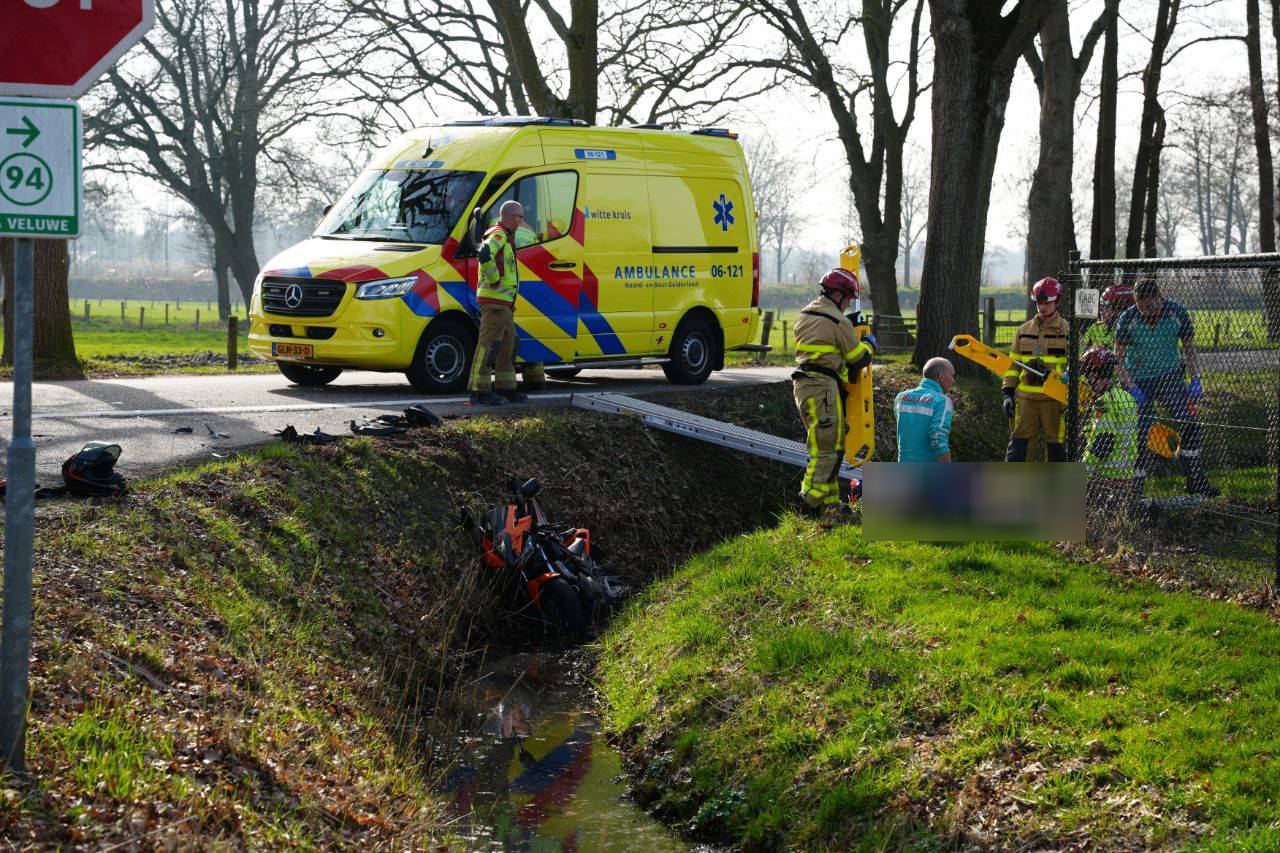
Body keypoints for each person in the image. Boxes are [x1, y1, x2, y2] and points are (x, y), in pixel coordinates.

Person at [1113, 278, 1218, 496]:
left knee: (1190, 425)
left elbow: (1190, 349)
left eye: (1149, 307)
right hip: (1139, 379)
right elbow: (1118, 360)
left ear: (1159, 297)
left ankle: (1195, 480)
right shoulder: (1128, 318)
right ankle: (1136, 489)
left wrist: (1196, 379)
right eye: (1140, 307)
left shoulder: (1177, 313)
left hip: (1170, 377)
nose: (1145, 312)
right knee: (1138, 433)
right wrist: (1131, 387)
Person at [792, 268, 876, 514]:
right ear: (838, 295)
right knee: (829, 448)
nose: (848, 302)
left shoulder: (806, 313)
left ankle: (830, 504)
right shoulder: (838, 321)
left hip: (804, 384)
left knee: (822, 445)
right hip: (823, 386)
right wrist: (869, 344)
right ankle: (809, 502)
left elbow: (822, 338)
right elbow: (858, 358)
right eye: (848, 297)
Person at [1003, 277, 1069, 462]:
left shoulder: (1067, 331)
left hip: (1054, 401)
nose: (1042, 307)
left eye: (1046, 303)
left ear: (1057, 301)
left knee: (1056, 449)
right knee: (1018, 449)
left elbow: (1076, 364)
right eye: (1039, 303)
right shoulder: (1022, 330)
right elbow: (1013, 365)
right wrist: (1007, 392)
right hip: (1025, 402)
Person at [470, 200, 528, 405]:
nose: (522, 221)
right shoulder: (499, 234)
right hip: (495, 301)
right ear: (513, 217)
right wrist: (494, 279)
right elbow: (485, 255)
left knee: (508, 344)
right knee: (488, 345)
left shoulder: (505, 236)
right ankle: (479, 390)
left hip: (503, 303)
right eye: (521, 217)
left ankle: (506, 388)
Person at [1080, 346, 1139, 510]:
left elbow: (1103, 443)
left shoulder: (1104, 403)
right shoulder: (1126, 397)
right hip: (1126, 473)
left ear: (1094, 375)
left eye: (1088, 376)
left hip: (1106, 474)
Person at [894, 357, 955, 462]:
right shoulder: (942, 401)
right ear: (941, 375)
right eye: (952, 375)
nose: (953, 380)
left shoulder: (900, 398)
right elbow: (938, 439)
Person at [1083, 283, 1135, 349]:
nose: (1101, 310)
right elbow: (1084, 352)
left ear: (1118, 309)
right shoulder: (1095, 328)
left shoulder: (1135, 330)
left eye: (1106, 306)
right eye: (1101, 306)